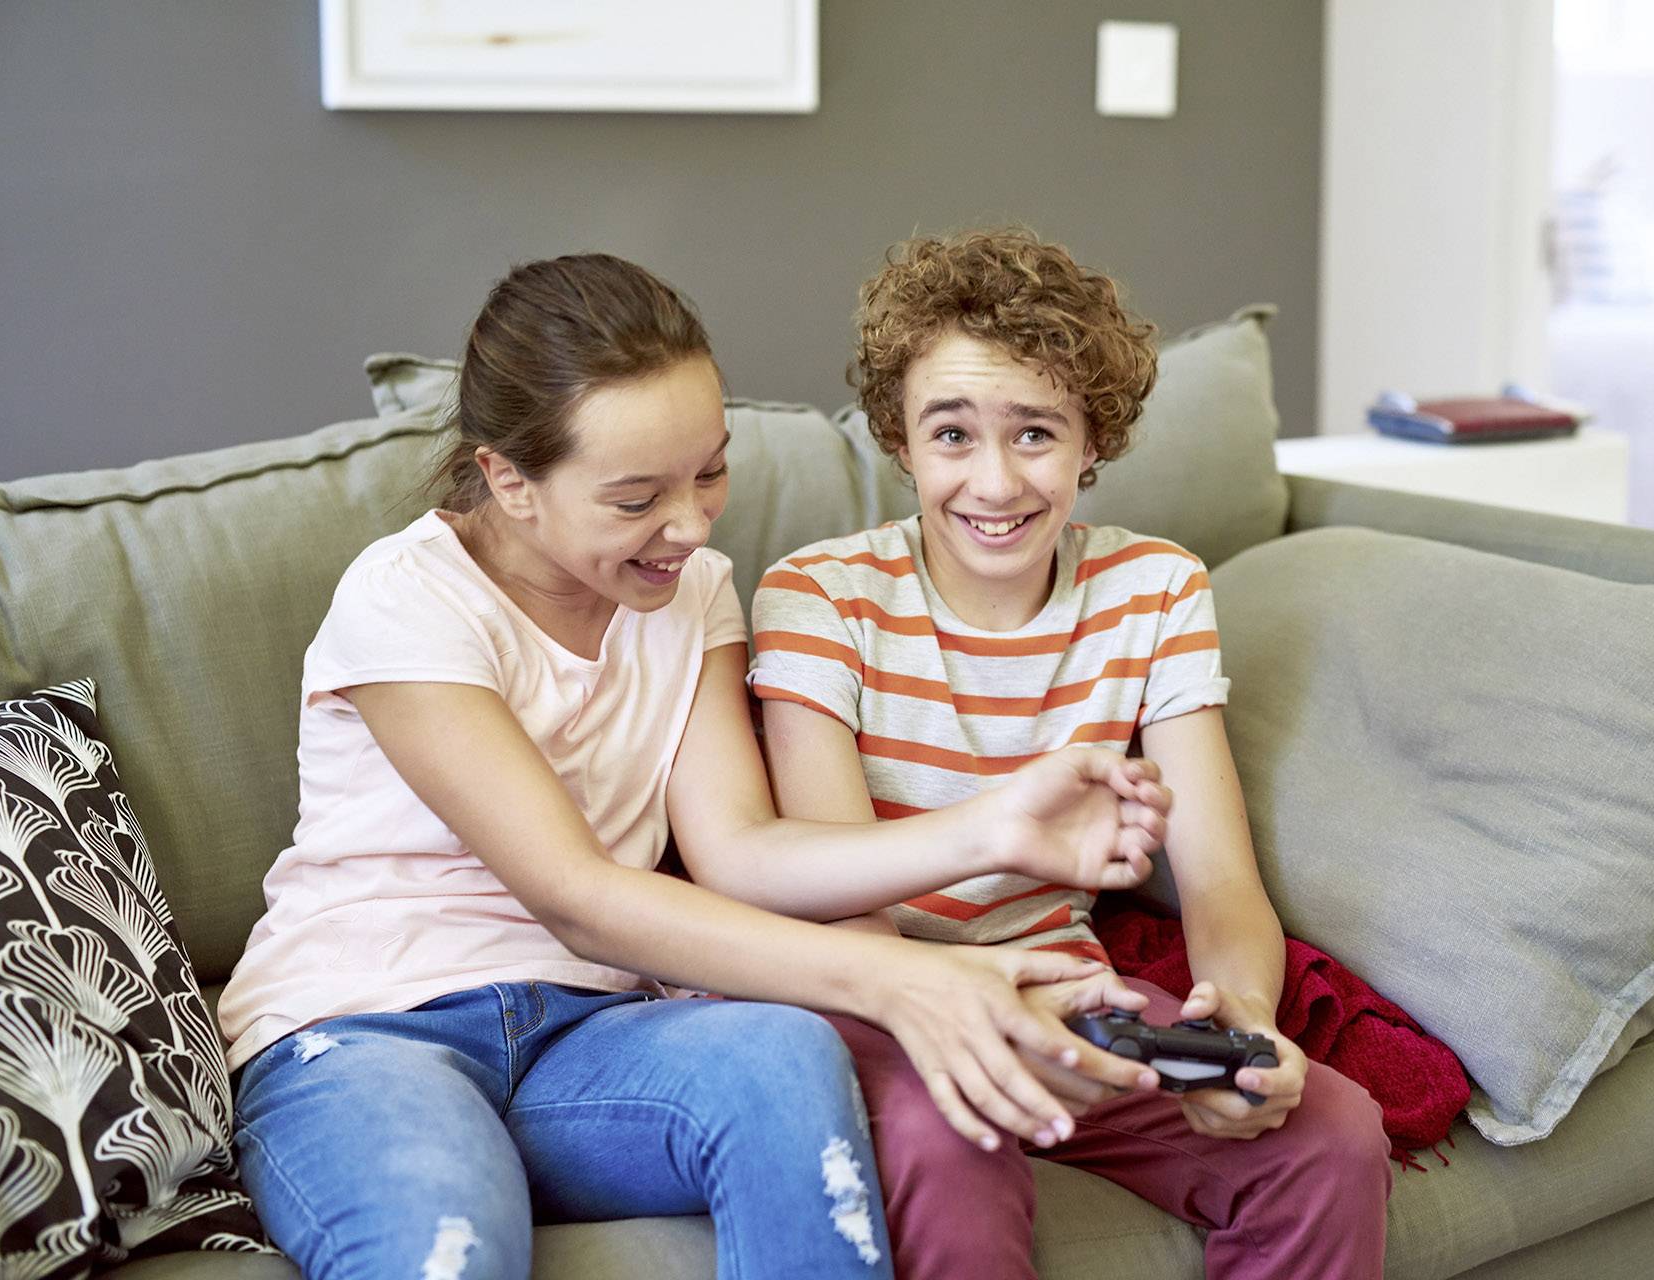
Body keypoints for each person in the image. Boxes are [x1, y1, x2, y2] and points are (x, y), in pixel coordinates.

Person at [215, 252, 1175, 1280]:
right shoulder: (407, 597)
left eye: (709, 469)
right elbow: (577, 894)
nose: (691, 524)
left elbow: (741, 851)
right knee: (449, 1243)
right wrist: (908, 977)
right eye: (636, 498)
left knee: (783, 1055)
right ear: (508, 479)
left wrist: (994, 826)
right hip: (363, 1036)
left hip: (588, 1037)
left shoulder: (695, 592)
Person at [724, 230, 1393, 1279]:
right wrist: (993, 1008)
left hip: (1073, 996)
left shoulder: (1157, 589)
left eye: (1035, 432)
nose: (994, 481)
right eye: (952, 434)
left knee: (1332, 1135)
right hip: (878, 1001)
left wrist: (1246, 1026)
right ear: (900, 439)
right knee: (958, 1146)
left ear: (1094, 440)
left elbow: (1219, 878)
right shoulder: (817, 595)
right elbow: (837, 890)